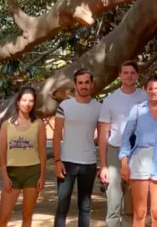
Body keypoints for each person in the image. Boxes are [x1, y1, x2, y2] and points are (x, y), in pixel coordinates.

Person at [119, 75, 157, 227]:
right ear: (145, 90)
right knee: (139, 212)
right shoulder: (137, 110)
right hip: (139, 161)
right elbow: (125, 138)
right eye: (150, 88)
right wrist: (124, 164)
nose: (153, 91)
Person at [97, 61, 148, 226]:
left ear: (137, 75)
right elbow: (103, 132)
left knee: (132, 198)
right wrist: (103, 165)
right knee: (114, 196)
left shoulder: (144, 97)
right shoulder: (110, 100)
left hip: (137, 152)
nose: (129, 76)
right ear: (119, 75)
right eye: (125, 73)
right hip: (115, 150)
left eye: (132, 73)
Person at [53, 69, 102, 227]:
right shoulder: (65, 106)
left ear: (92, 84)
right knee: (62, 207)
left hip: (89, 163)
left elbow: (102, 137)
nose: (84, 86)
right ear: (75, 85)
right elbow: (56, 135)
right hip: (66, 162)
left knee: (85, 208)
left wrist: (103, 164)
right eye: (80, 83)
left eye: (87, 82)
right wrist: (57, 160)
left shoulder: (99, 108)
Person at [0, 86, 47, 227]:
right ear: (18, 102)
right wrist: (5, 176)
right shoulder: (7, 125)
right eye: (24, 100)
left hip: (33, 172)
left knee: (27, 216)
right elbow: (2, 153)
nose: (27, 104)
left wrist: (42, 177)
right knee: (4, 217)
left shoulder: (38, 124)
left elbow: (42, 152)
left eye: (31, 101)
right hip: (12, 174)